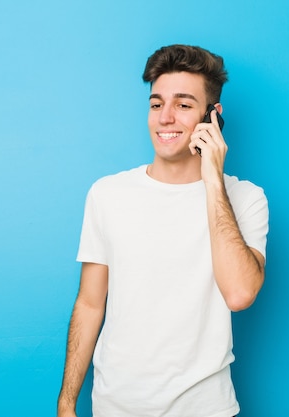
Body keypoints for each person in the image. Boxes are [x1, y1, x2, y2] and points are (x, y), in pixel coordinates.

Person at [57, 44, 269, 417]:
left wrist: (212, 180)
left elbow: (239, 293)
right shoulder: (108, 194)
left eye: (184, 105)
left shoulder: (247, 198)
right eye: (157, 104)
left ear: (213, 117)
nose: (166, 118)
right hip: (114, 408)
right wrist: (66, 403)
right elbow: (90, 304)